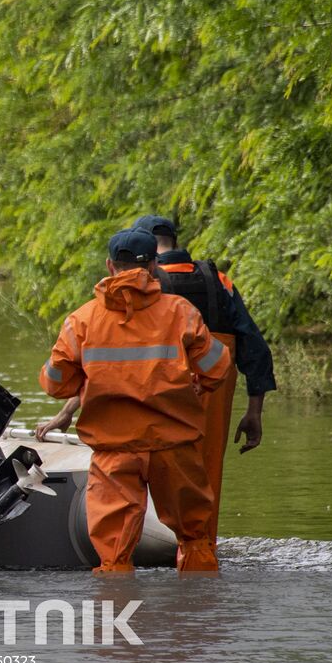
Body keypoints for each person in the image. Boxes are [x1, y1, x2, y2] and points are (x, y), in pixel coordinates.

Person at [37, 214, 276, 541]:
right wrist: (251, 409)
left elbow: (92, 372)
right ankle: (199, 560)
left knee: (115, 529)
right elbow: (244, 352)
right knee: (199, 507)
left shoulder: (102, 310)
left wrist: (67, 412)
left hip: (129, 427)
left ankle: (123, 573)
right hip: (192, 414)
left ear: (113, 265)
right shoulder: (208, 288)